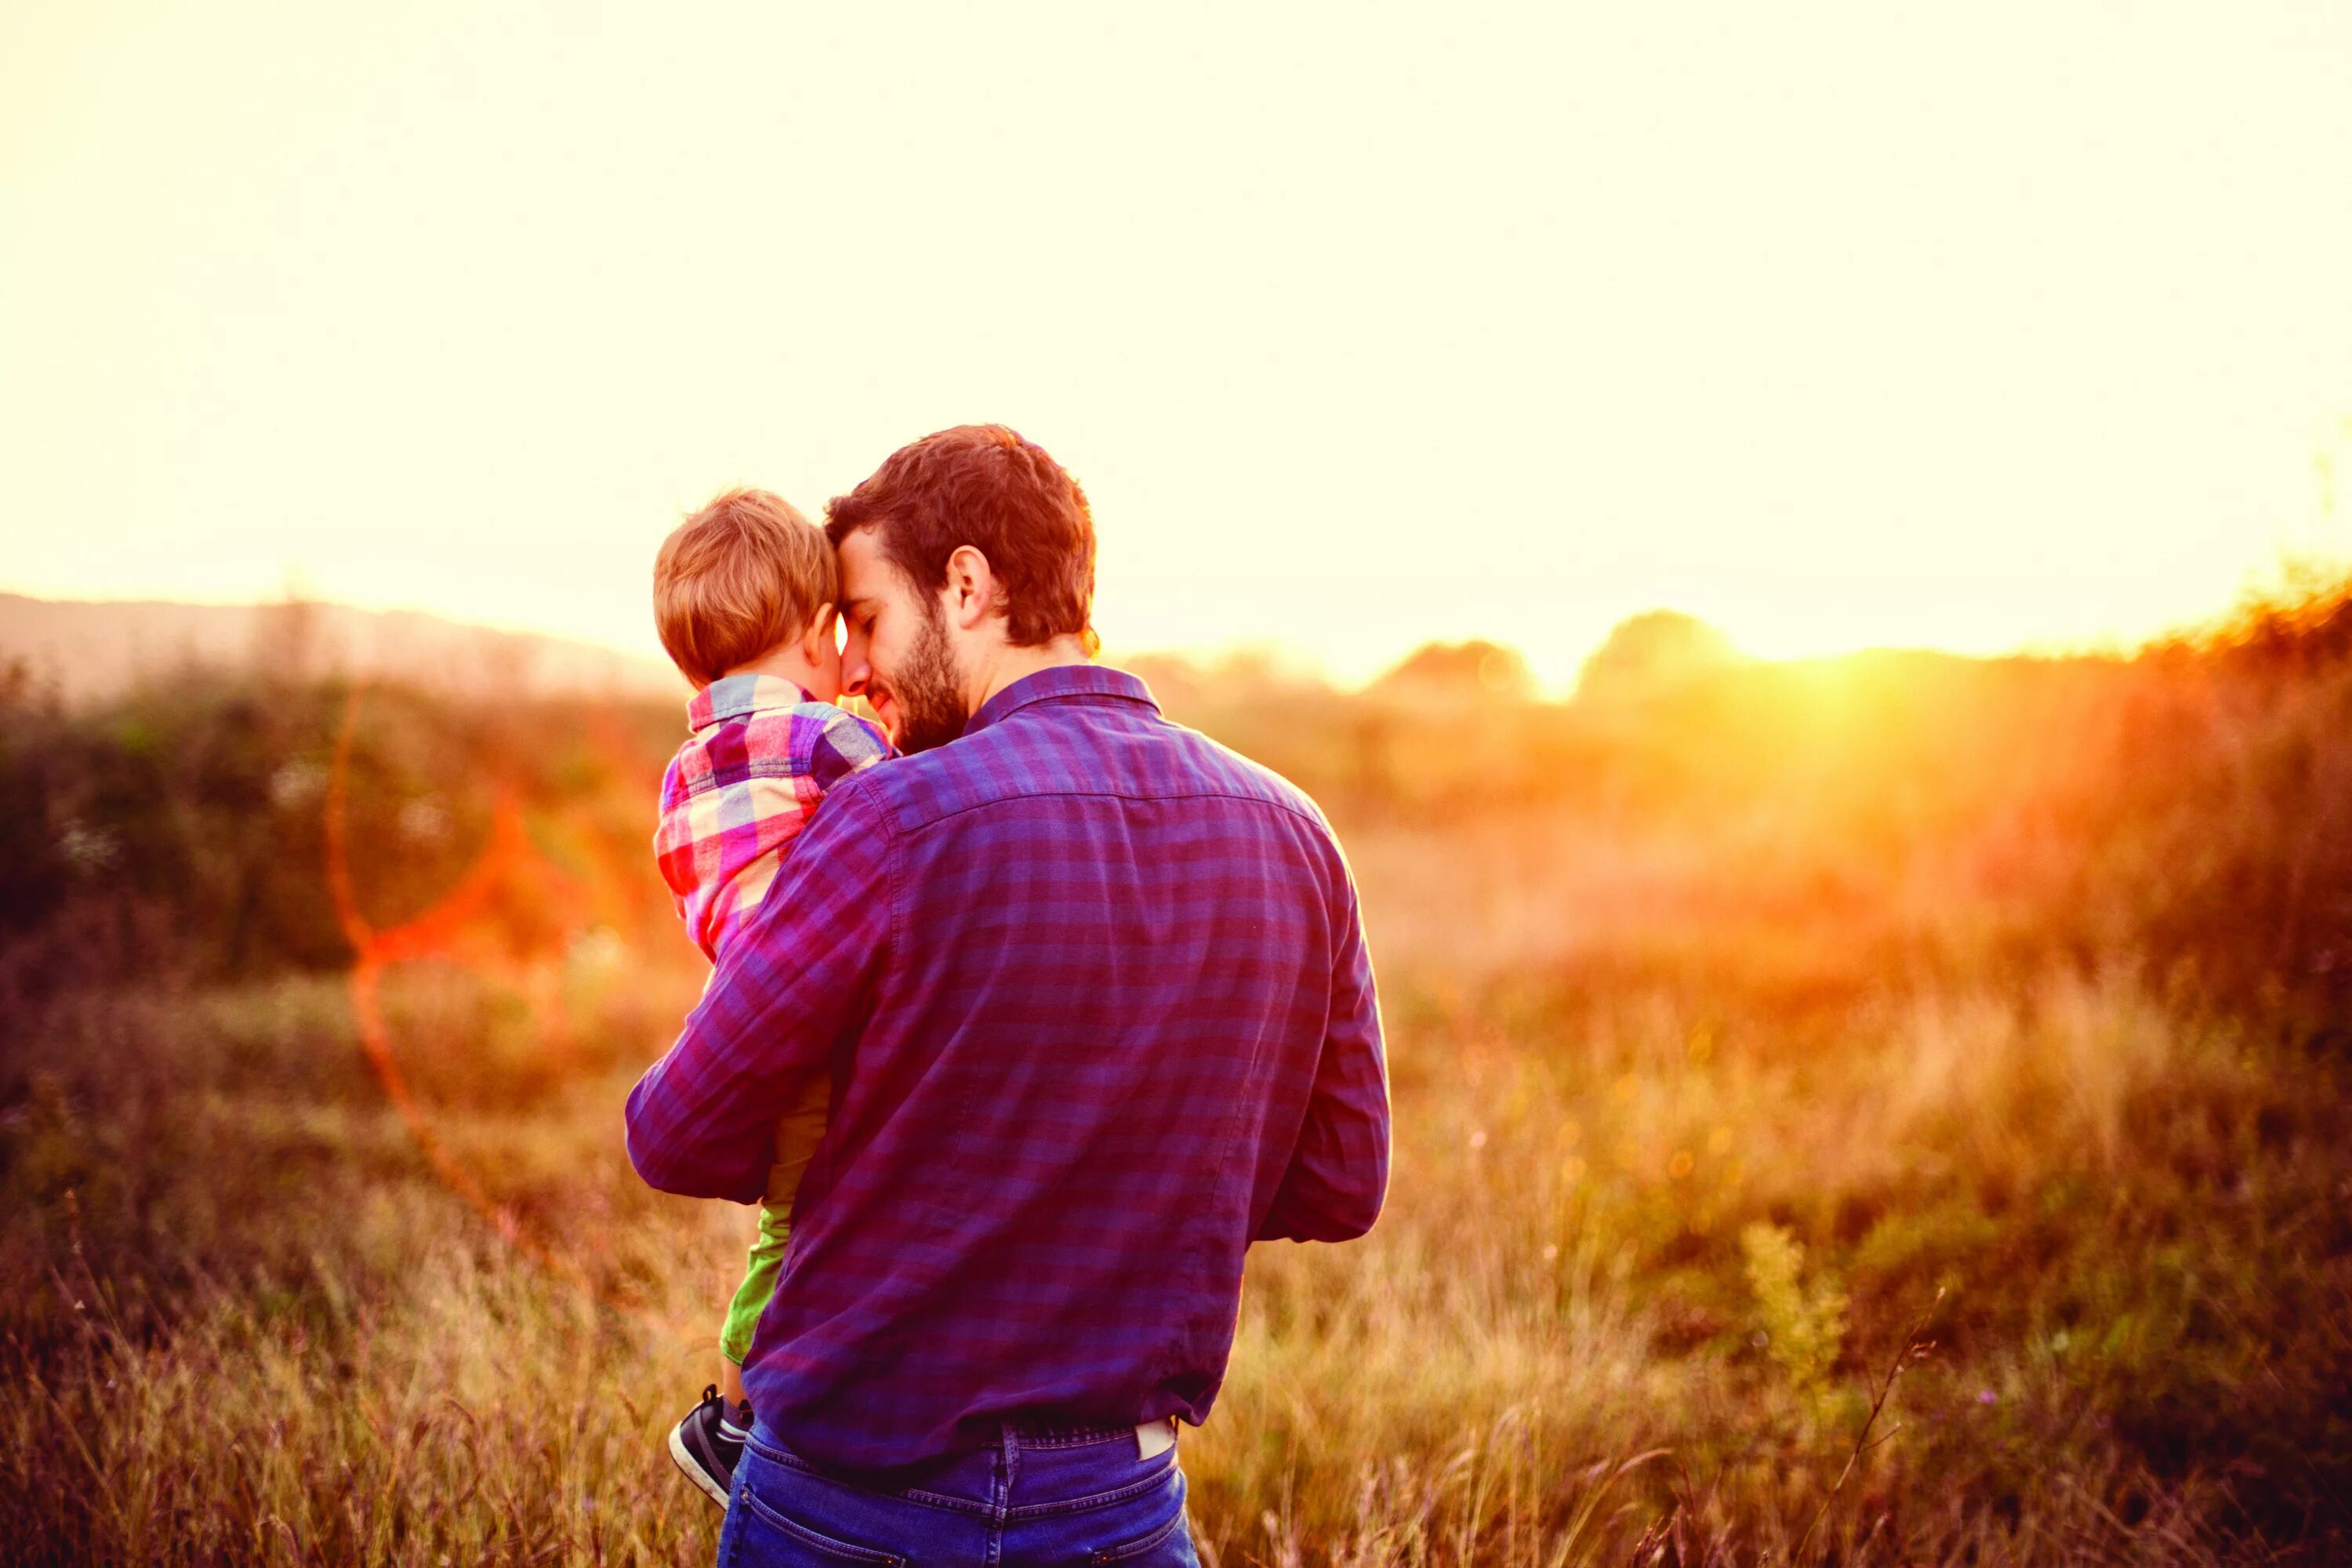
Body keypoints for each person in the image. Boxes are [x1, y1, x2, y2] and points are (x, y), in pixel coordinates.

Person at [625, 424, 1389, 1568]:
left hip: (851, 1505)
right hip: (1118, 1511)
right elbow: (1338, 1181)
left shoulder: (887, 819)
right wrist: (1127, 1179)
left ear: (969, 586)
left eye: (869, 619)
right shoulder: (1294, 830)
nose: (859, 669)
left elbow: (675, 1133)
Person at [644, 486, 895, 1505]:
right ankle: (743, 1428)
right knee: (811, 1233)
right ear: (810, 633)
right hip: (824, 1036)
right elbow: (915, 810)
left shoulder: (687, 769)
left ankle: (751, 1417)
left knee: (789, 1225)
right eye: (845, 627)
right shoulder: (821, 743)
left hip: (753, 1028)